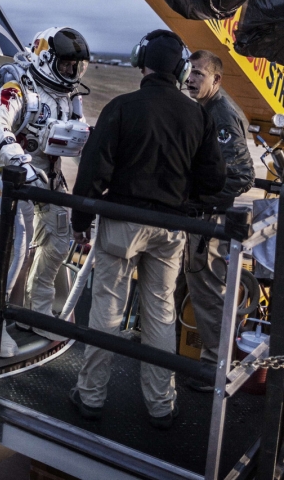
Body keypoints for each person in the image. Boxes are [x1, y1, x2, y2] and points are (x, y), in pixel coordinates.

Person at [69, 30, 226, 429]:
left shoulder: (121, 107)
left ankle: (91, 396)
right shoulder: (199, 116)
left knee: (107, 309)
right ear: (181, 70)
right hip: (170, 228)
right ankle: (161, 405)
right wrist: (185, 200)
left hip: (122, 223)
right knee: (161, 313)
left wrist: (80, 221)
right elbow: (214, 180)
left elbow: (93, 171)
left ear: (141, 62)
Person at [0, 26, 90, 356]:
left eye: (75, 66)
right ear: (46, 59)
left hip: (50, 180)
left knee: (58, 241)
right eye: (66, 64)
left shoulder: (69, 98)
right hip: (13, 177)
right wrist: (18, 160)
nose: (71, 71)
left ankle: (36, 311)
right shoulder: (19, 89)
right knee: (15, 248)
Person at [185, 50, 254, 390]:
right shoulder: (205, 109)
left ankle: (214, 369)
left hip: (209, 221)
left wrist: (201, 200)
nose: (191, 79)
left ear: (216, 79)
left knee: (210, 294)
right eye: (190, 71)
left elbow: (242, 175)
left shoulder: (221, 114)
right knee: (199, 289)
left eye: (199, 73)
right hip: (200, 217)